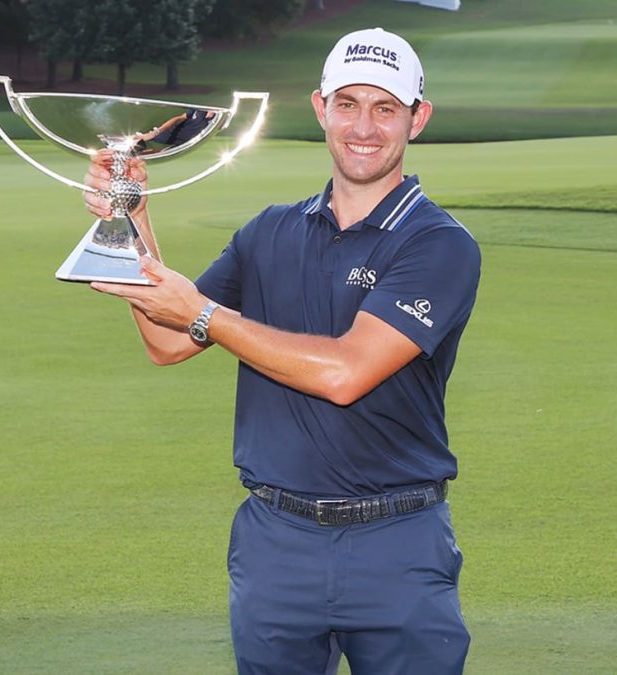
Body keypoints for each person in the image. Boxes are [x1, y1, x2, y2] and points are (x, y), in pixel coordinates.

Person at [83, 27, 480, 675]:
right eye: (347, 103)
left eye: (386, 108)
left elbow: (349, 372)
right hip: (276, 543)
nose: (364, 126)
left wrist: (206, 313)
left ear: (418, 118)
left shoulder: (438, 244)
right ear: (320, 107)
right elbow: (165, 340)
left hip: (398, 541)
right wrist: (132, 214)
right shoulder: (268, 231)